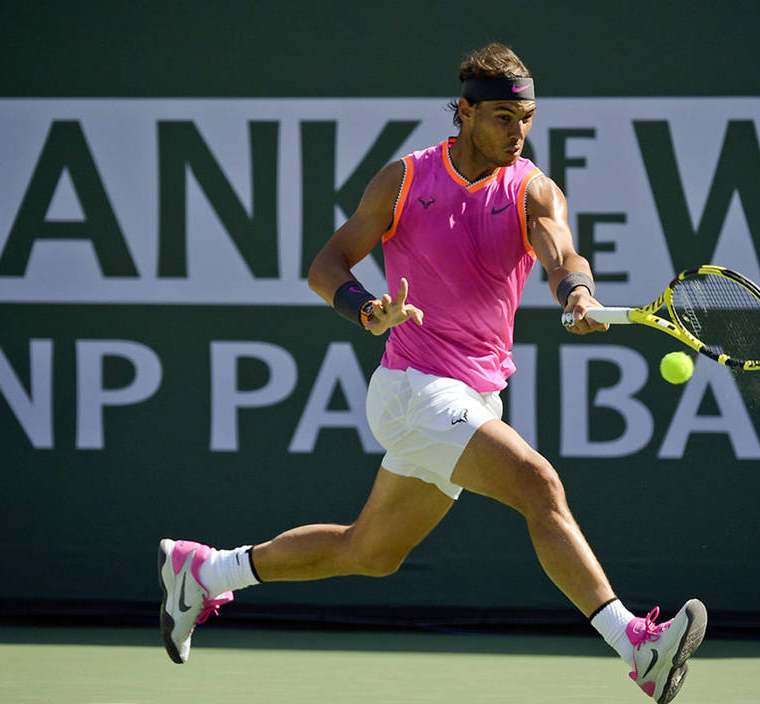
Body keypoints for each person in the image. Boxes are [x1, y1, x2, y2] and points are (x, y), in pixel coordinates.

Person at [157, 42, 706, 702]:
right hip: (412, 389)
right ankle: (636, 645)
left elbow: (561, 253)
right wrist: (366, 311)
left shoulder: (532, 189)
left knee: (370, 551)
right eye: (503, 117)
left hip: (473, 397)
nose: (518, 131)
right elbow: (326, 264)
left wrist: (577, 293)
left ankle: (206, 572)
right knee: (537, 483)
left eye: (526, 117)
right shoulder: (405, 180)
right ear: (465, 114)